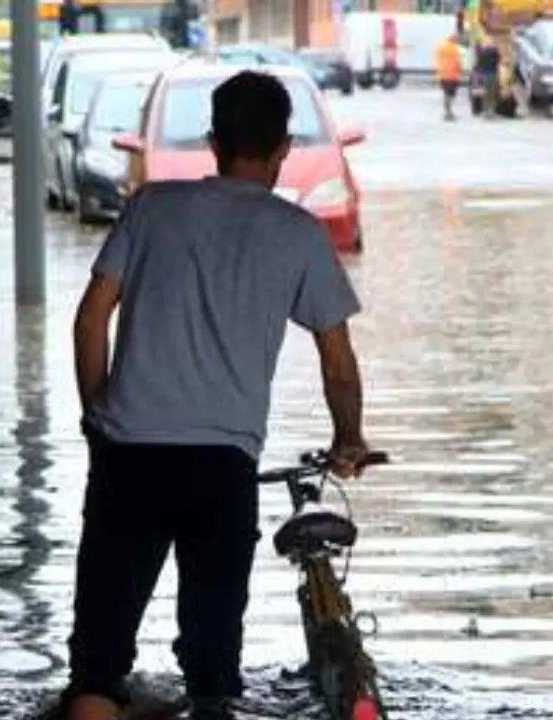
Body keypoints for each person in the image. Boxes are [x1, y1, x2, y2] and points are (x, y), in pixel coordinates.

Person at [68, 70, 371, 720]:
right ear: (283, 146)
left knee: (98, 663)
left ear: (213, 140)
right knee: (212, 676)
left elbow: (91, 319)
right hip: (221, 467)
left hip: (129, 453)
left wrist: (98, 418)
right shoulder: (298, 233)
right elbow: (338, 364)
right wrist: (349, 439)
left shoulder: (152, 207)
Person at [435, 33, 465, 121]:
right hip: (452, 76)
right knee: (450, 95)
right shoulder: (454, 49)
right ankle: (448, 113)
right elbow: (457, 62)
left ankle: (447, 112)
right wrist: (461, 71)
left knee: (446, 94)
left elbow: (437, 59)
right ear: (454, 40)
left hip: (443, 75)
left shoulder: (440, 47)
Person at [474, 35, 501, 118]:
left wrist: (477, 77)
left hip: (484, 75)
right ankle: (491, 112)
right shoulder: (495, 52)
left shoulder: (482, 52)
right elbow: (498, 62)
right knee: (492, 94)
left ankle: (486, 112)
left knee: (485, 94)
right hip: (493, 75)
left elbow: (478, 65)